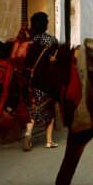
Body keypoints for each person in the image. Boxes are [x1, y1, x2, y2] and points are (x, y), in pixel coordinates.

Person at [22, 11, 58, 152]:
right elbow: (55, 60)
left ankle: (28, 134)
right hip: (46, 82)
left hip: (31, 81)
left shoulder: (30, 41)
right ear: (45, 25)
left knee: (32, 110)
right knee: (49, 112)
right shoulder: (51, 41)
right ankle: (49, 141)